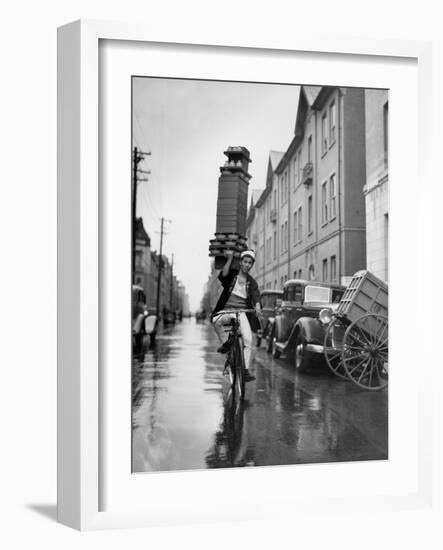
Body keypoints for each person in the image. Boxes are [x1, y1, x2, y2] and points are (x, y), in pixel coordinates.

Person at [211, 249, 262, 382]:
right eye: (245, 261)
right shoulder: (232, 275)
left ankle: (244, 371)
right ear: (240, 262)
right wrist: (229, 259)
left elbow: (256, 295)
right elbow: (224, 274)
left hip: (242, 312)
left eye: (250, 263)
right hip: (227, 310)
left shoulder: (251, 281)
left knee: (248, 340)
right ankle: (226, 344)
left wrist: (257, 306)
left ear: (252, 265)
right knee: (217, 322)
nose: (247, 265)